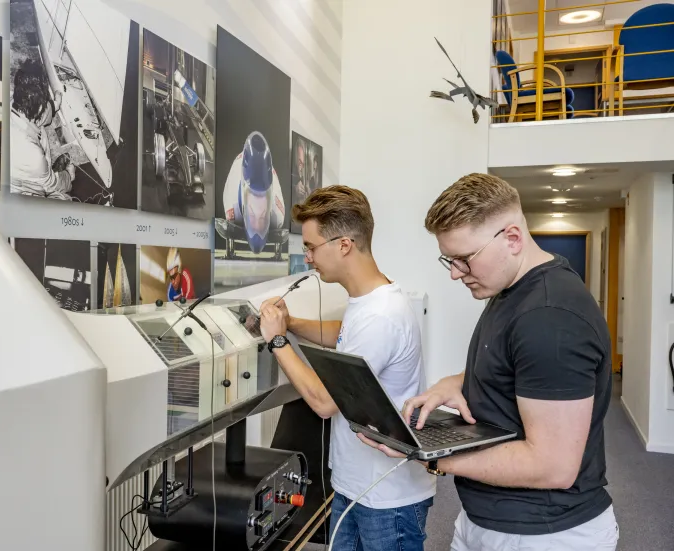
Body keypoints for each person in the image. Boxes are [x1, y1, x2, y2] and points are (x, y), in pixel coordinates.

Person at [361, 173, 617, 550]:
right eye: (448, 259)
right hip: (490, 519)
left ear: (512, 238)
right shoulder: (511, 288)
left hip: (543, 534)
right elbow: (517, 368)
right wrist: (457, 382)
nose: (454, 273)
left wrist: (430, 457)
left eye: (464, 259)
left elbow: (553, 466)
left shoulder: (550, 317)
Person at [259, 185, 435, 551]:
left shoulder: (382, 316)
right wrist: (291, 323)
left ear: (343, 245)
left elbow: (324, 402)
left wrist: (277, 341)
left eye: (311, 247)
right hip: (356, 485)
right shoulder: (370, 301)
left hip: (386, 498)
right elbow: (346, 336)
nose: (307, 258)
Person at [9, 59, 75, 199]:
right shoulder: (32, 155)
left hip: (27, 168)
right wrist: (69, 176)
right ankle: (47, 173)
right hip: (22, 191)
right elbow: (52, 184)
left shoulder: (15, 102)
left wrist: (55, 104)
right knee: (64, 199)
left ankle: (45, 171)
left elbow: (38, 113)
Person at [222, 131, 286, 253]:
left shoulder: (278, 216)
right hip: (239, 162)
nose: (256, 226)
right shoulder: (232, 209)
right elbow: (227, 189)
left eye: (262, 217)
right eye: (252, 215)